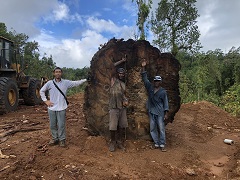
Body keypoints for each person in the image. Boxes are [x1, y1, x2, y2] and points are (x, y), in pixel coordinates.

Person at [40, 67, 86, 147]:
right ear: (54, 73)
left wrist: (85, 80)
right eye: (56, 72)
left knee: (61, 125)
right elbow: (41, 91)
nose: (58, 73)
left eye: (59, 72)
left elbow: (76, 83)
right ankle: (55, 139)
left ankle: (62, 140)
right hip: (52, 108)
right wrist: (46, 101)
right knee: (52, 125)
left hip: (61, 107)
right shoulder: (49, 83)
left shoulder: (66, 83)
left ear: (61, 73)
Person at [141, 59, 169, 152]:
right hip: (151, 111)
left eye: (158, 81)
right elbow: (145, 79)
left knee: (161, 128)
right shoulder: (150, 88)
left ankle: (162, 144)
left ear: (160, 82)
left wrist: (166, 113)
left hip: (160, 112)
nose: (156, 82)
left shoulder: (163, 92)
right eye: (155, 81)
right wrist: (143, 67)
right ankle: (156, 142)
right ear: (154, 81)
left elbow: (165, 103)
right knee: (152, 128)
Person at [108, 57, 128, 152]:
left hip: (122, 108)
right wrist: (122, 61)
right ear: (117, 74)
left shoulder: (123, 84)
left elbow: (124, 96)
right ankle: (112, 142)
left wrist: (126, 101)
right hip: (113, 107)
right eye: (120, 73)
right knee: (113, 126)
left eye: (122, 73)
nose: (121, 75)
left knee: (121, 126)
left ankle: (119, 142)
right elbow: (111, 66)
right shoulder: (113, 81)